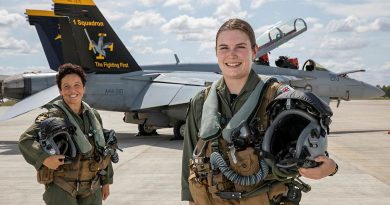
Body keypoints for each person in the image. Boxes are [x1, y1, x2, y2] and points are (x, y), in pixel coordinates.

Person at [181, 19, 338, 205]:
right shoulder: (201, 101)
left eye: (240, 47)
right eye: (224, 48)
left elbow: (312, 144)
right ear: (216, 52)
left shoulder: (279, 99)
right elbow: (190, 159)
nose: (231, 55)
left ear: (254, 51)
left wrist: (331, 168)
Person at [19, 63, 114, 205]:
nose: (72, 90)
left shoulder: (93, 115)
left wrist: (106, 181)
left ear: (83, 88)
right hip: (62, 186)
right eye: (66, 86)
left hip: (92, 187)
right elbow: (25, 140)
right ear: (60, 90)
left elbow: (102, 147)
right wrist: (44, 158)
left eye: (77, 85)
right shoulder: (52, 116)